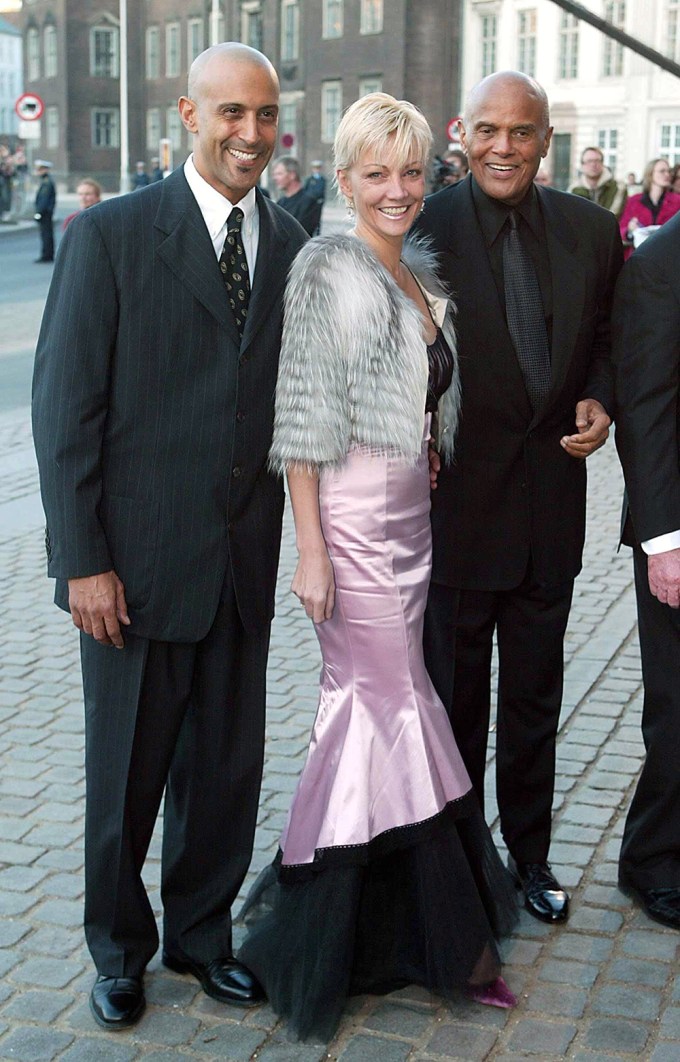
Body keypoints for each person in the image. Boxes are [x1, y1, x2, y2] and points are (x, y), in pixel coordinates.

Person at [32, 42, 308, 1032]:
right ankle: (118, 948)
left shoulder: (286, 239)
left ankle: (201, 937)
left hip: (239, 565)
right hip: (133, 572)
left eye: (263, 114)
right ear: (187, 118)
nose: (248, 132)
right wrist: (82, 562)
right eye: (228, 112)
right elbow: (64, 410)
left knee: (225, 774)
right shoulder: (111, 236)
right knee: (125, 781)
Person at [237, 91, 518, 1044]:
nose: (397, 191)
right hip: (352, 533)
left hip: (413, 524)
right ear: (346, 178)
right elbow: (302, 423)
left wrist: (427, 444)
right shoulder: (330, 271)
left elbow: (423, 393)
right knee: (385, 705)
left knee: (384, 710)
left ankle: (372, 931)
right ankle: (437, 940)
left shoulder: (415, 278)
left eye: (410, 173)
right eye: (375, 174)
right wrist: (312, 549)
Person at [415, 71, 623, 925]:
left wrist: (600, 396)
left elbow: (611, 335)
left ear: (545, 141)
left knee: (536, 700)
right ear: (464, 134)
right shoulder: (418, 228)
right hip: (456, 515)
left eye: (523, 133)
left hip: (550, 517)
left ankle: (530, 855)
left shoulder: (593, 231)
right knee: (455, 701)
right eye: (489, 131)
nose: (504, 148)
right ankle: (463, 861)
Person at [611, 210, 680, 930]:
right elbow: (646, 407)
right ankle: (652, 859)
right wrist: (664, 541)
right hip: (679, 532)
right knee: (677, 707)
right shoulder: (661, 260)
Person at [618, 158, 680, 259]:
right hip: (639, 256)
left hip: (667, 257)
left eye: (668, 171)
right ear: (650, 174)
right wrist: (630, 230)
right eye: (662, 171)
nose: (667, 174)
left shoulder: (677, 201)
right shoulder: (634, 200)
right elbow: (621, 229)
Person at [570, 145, 627, 217]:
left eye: (597, 161)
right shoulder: (574, 189)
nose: (593, 165)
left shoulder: (618, 187)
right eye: (589, 161)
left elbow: (613, 216)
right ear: (582, 165)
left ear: (602, 164)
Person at [271, 155, 322, 235]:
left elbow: (300, 232)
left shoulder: (309, 201)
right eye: (274, 174)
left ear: (292, 175)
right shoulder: (280, 202)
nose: (275, 178)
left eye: (279, 174)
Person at [34, 160, 56, 263]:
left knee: (46, 234)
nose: (38, 171)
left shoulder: (47, 183)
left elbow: (44, 199)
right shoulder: (46, 181)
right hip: (47, 212)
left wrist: (39, 213)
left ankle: (46, 255)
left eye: (40, 169)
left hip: (45, 213)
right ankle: (48, 254)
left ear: (45, 170)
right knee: (46, 234)